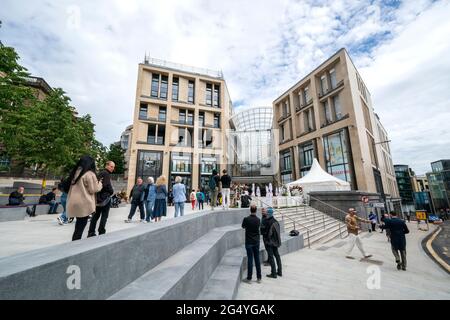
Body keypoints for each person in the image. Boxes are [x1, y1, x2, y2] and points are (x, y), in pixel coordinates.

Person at [66, 155, 103, 241]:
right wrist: (100, 183)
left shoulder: (76, 172)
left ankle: (75, 241)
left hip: (73, 201)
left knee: (78, 226)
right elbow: (93, 189)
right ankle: (76, 244)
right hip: (84, 203)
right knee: (80, 226)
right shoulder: (89, 174)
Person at [88, 161, 115, 237]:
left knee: (95, 216)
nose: (113, 168)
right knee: (104, 216)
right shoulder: (106, 173)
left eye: (113, 167)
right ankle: (101, 232)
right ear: (107, 165)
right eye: (111, 166)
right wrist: (111, 191)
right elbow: (106, 185)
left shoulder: (100, 173)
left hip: (98, 198)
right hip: (105, 198)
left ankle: (91, 232)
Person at [242, 203, 262, 283]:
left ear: (250, 210)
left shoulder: (246, 219)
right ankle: (259, 278)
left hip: (249, 242)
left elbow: (243, 226)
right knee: (257, 259)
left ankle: (249, 278)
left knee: (250, 259)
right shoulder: (258, 219)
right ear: (256, 211)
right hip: (256, 241)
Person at [262, 207, 282, 278]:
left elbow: (268, 234)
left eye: (267, 213)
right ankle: (279, 271)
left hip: (270, 242)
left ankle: (273, 273)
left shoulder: (268, 222)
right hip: (275, 242)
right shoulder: (276, 221)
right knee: (277, 256)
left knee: (271, 257)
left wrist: (266, 239)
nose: (266, 214)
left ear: (269, 213)